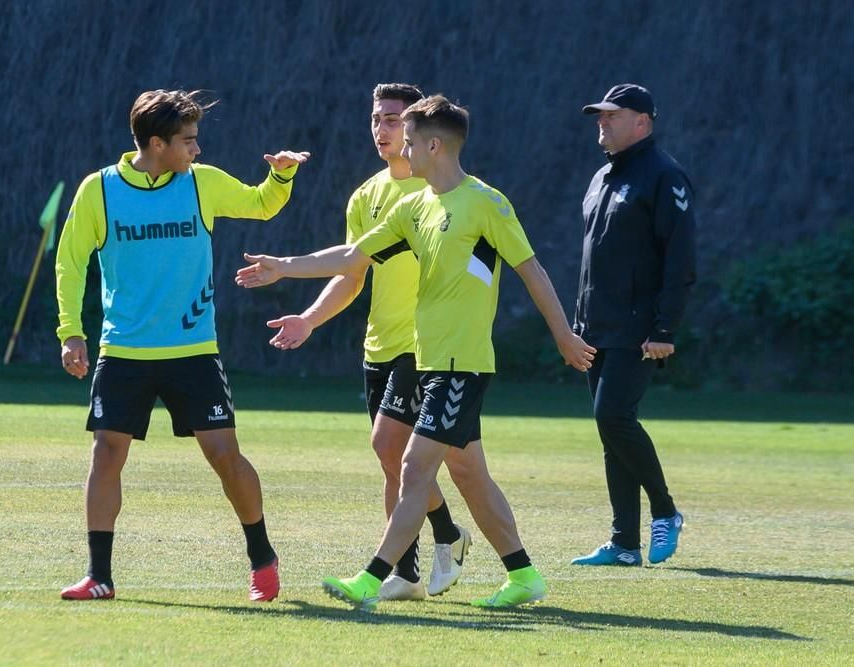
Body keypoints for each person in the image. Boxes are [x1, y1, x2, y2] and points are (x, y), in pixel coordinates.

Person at [236, 95, 595, 610]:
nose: (401, 148)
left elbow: (531, 271)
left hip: (462, 364)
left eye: (409, 140)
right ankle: (523, 575)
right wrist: (284, 265)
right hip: (429, 362)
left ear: (434, 145)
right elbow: (354, 255)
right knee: (469, 474)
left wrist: (563, 335)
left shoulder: (485, 203)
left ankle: (374, 577)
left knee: (413, 466)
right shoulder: (414, 205)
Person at [54, 88, 309, 601]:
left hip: (193, 352)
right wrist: (71, 332)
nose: (197, 149)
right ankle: (98, 575)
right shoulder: (99, 190)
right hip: (122, 352)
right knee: (106, 454)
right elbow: (71, 261)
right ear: (156, 143)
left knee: (224, 456)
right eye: (188, 140)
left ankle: (262, 558)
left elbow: (260, 204)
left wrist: (281, 174)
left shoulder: (202, 184)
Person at [261, 83, 470, 602]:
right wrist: (310, 319)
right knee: (391, 462)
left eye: (394, 120)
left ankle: (439, 538)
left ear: (420, 127)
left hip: (423, 346)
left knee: (388, 445)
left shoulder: (439, 192)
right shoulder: (367, 195)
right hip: (378, 345)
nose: (383, 129)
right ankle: (411, 569)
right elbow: (353, 274)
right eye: (377, 118)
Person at [570, 84, 696, 567]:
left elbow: (680, 259)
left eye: (612, 115)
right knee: (610, 429)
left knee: (613, 418)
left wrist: (665, 329)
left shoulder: (665, 176)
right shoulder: (602, 176)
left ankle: (665, 511)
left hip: (639, 328)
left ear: (643, 121)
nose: (601, 122)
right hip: (595, 325)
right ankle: (624, 542)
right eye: (599, 115)